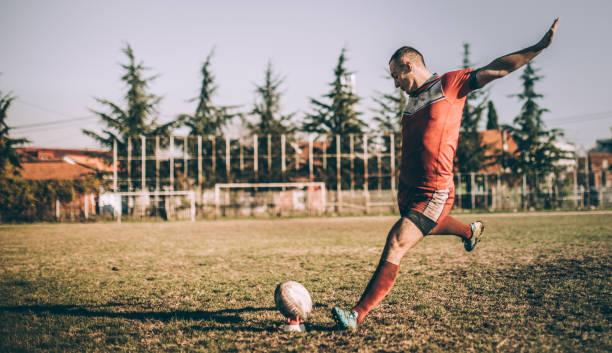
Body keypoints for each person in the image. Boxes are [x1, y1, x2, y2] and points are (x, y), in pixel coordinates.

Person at [332, 18, 560, 330]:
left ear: (409, 65)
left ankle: (357, 314)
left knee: (397, 242)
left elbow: (498, 68)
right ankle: (469, 232)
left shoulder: (451, 85)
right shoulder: (411, 103)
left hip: (435, 190)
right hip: (410, 190)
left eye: (396, 76)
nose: (396, 84)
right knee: (426, 225)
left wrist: (537, 47)